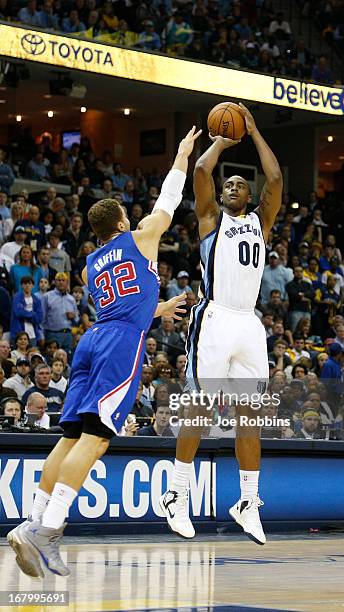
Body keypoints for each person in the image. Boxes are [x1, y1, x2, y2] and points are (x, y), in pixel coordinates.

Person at [7, 126, 201, 579]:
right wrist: (182, 154)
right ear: (120, 222)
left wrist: (160, 307)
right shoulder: (141, 236)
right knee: (96, 440)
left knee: (70, 437)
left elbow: (124, 308)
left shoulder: (92, 263)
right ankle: (48, 531)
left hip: (91, 341)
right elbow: (168, 202)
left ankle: (33, 522)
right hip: (118, 346)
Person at [161, 103, 282, 545]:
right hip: (213, 316)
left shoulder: (260, 222)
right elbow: (200, 171)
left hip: (249, 323)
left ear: (247, 196)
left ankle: (248, 502)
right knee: (202, 407)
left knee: (251, 414)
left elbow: (275, 180)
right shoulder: (211, 220)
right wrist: (222, 141)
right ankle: (176, 495)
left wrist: (252, 130)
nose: (230, 186)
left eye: (237, 184)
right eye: (227, 183)